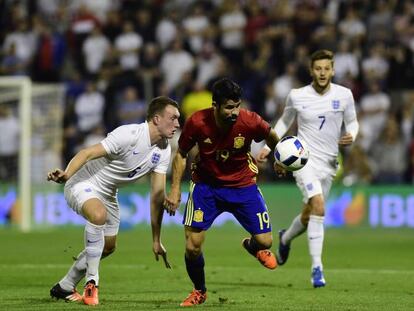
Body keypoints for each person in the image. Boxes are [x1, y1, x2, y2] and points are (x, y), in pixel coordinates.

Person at [47, 96, 180, 305]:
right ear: (156, 119)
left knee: (108, 246)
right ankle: (92, 283)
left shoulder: (164, 149)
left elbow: (156, 197)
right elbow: (87, 152)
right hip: (83, 181)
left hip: (109, 193)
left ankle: (64, 286)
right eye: (172, 118)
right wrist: (66, 173)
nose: (177, 124)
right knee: (98, 215)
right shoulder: (129, 134)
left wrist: (156, 239)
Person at [164, 78, 280, 307]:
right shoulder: (197, 122)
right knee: (192, 246)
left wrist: (279, 158)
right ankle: (200, 290)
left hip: (243, 185)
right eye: (229, 107)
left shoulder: (250, 120)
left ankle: (252, 247)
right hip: (206, 188)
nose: (234, 112)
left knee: (265, 242)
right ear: (215, 105)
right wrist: (175, 188)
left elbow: (272, 135)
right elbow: (181, 153)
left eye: (237, 106)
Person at [257, 50, 359, 288]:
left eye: (326, 68)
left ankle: (285, 237)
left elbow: (352, 121)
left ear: (332, 70)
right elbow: (284, 121)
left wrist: (352, 134)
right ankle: (317, 268)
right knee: (319, 207)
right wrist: (269, 147)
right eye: (318, 68)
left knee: (308, 214)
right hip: (304, 160)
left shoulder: (344, 95)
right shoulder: (298, 95)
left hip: (330, 163)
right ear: (311, 71)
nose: (322, 73)